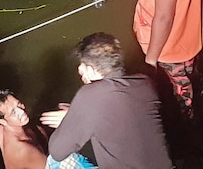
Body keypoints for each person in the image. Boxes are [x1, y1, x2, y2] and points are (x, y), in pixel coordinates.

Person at [39, 33, 174, 169]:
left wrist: (71, 118)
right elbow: (118, 116)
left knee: (54, 163)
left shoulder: (90, 95)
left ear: (91, 70)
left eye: (83, 65)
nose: (79, 69)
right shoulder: (145, 83)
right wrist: (81, 114)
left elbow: (57, 152)